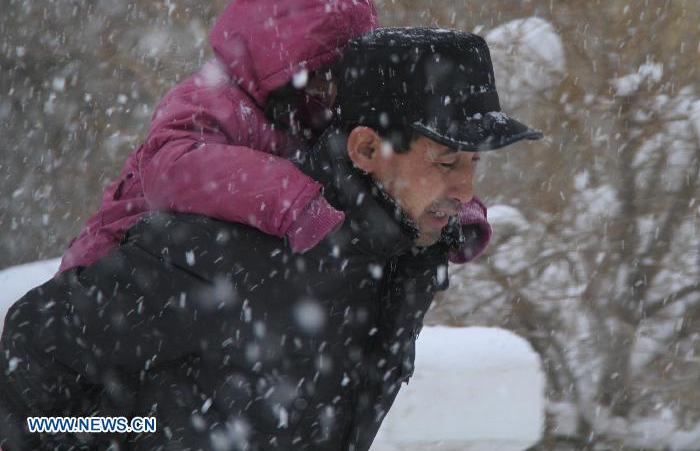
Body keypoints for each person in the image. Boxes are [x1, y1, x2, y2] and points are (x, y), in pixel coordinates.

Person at [0, 27, 542, 450]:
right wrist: (134, 430)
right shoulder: (230, 252)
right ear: (366, 150)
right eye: (447, 160)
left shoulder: (403, 262)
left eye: (474, 162)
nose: (466, 186)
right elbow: (32, 348)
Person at [58, 0, 493, 273]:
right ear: (280, 56)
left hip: (199, 288)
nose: (331, 89)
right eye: (320, 72)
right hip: (112, 271)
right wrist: (292, 200)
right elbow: (171, 165)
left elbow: (398, 165)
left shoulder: (316, 115)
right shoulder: (215, 97)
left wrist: (452, 213)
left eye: (342, 75)